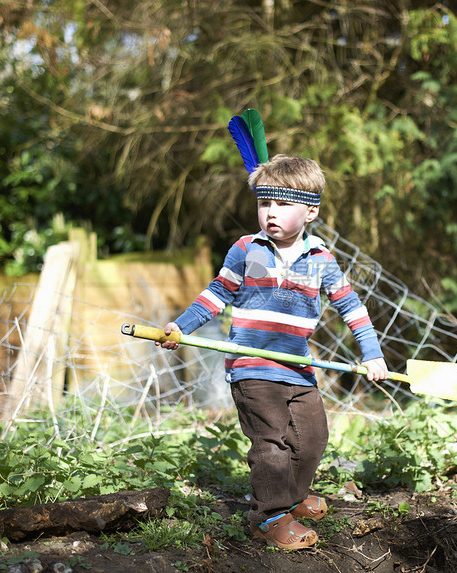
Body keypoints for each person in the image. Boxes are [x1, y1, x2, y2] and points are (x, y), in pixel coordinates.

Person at [158, 154, 388, 550]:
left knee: (312, 439)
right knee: (270, 444)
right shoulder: (246, 249)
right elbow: (216, 295)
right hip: (251, 365)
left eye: (283, 204)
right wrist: (181, 326)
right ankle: (269, 516)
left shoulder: (321, 260)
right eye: (265, 203)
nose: (271, 213)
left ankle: (291, 499)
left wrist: (372, 354)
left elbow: (352, 308)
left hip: (298, 367)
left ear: (310, 211)